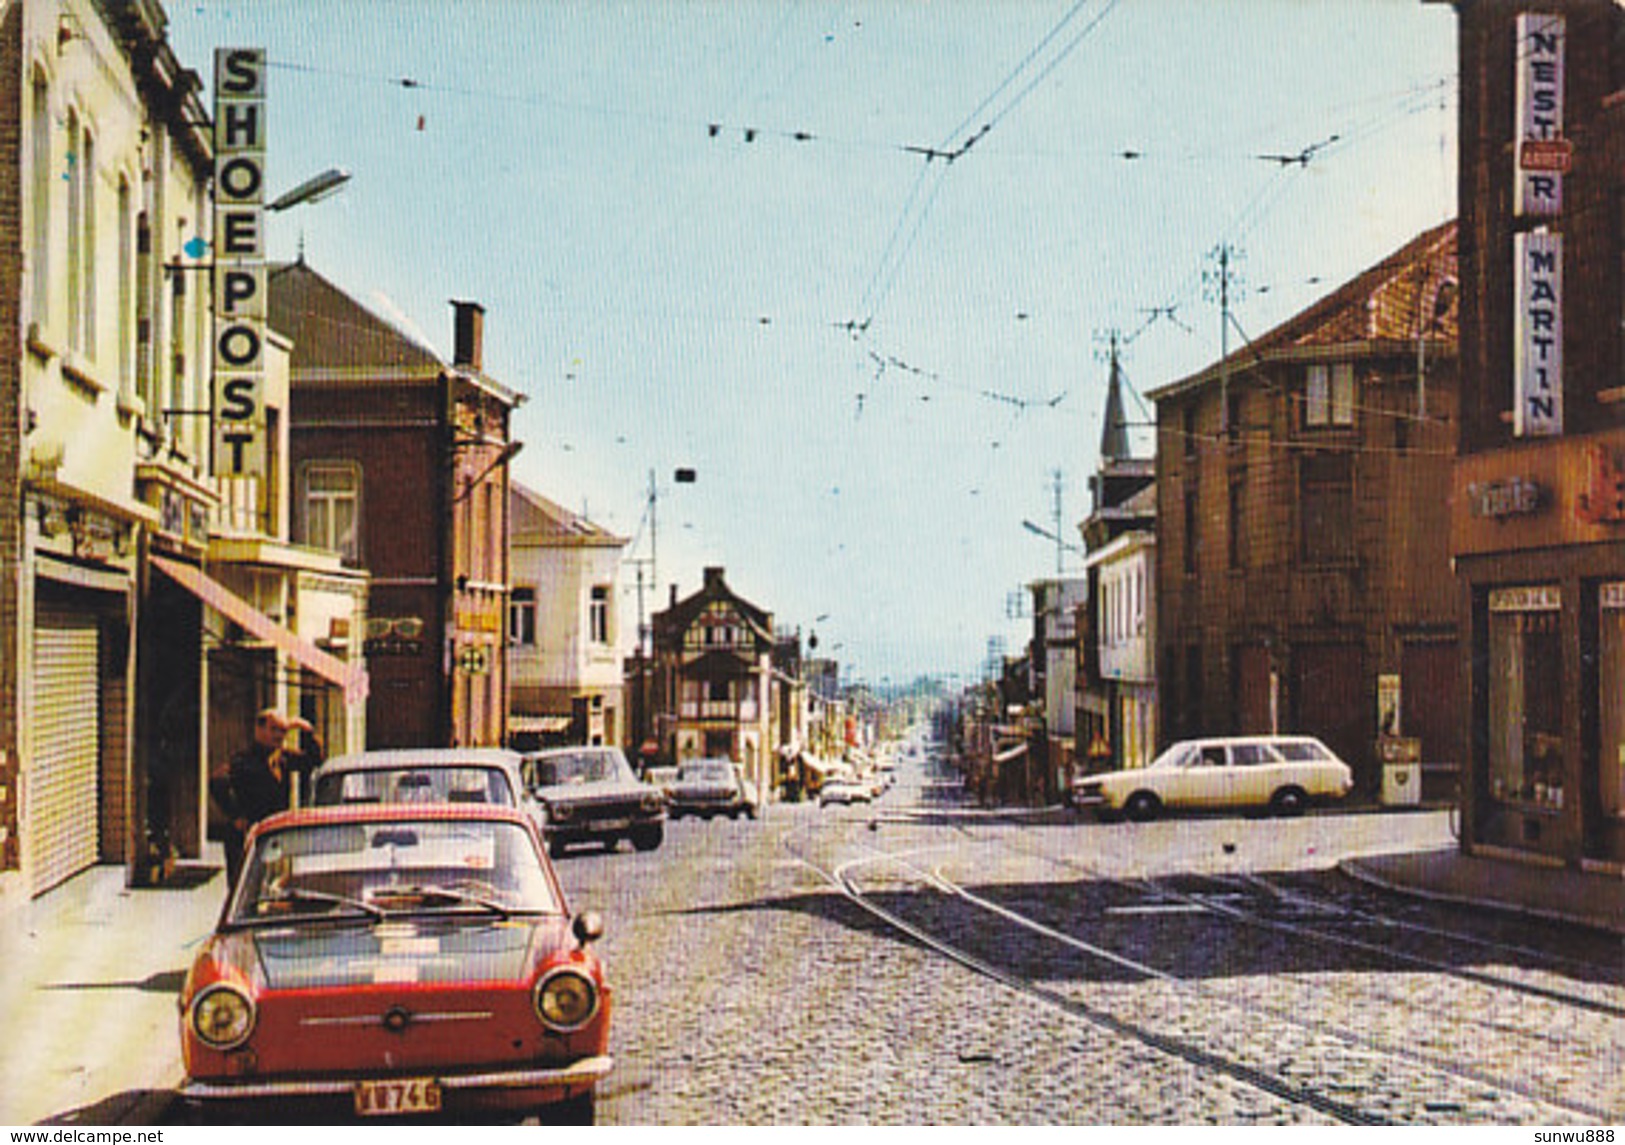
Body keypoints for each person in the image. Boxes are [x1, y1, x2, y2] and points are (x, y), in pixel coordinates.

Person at [211, 708, 323, 889]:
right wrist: (235, 815)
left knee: (273, 887)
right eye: (274, 729)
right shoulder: (244, 761)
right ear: (259, 730)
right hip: (247, 836)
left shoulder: (283, 758)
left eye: (283, 730)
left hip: (274, 834)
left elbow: (314, 760)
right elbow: (217, 781)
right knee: (244, 888)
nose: (279, 735)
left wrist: (306, 729)